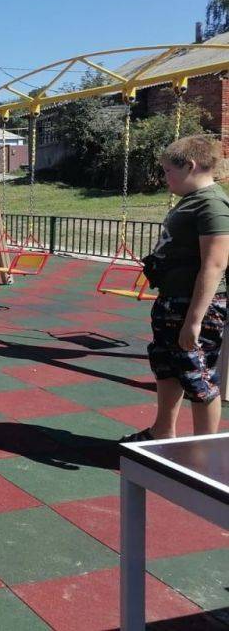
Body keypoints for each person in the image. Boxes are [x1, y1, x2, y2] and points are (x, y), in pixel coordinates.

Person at [121, 135, 229, 442]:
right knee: (167, 366)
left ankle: (204, 450)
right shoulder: (192, 201)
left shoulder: (213, 205)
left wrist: (194, 320)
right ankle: (162, 432)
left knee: (198, 375)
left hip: (194, 306)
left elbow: (215, 264)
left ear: (190, 166)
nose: (164, 176)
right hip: (172, 301)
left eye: (168, 170)